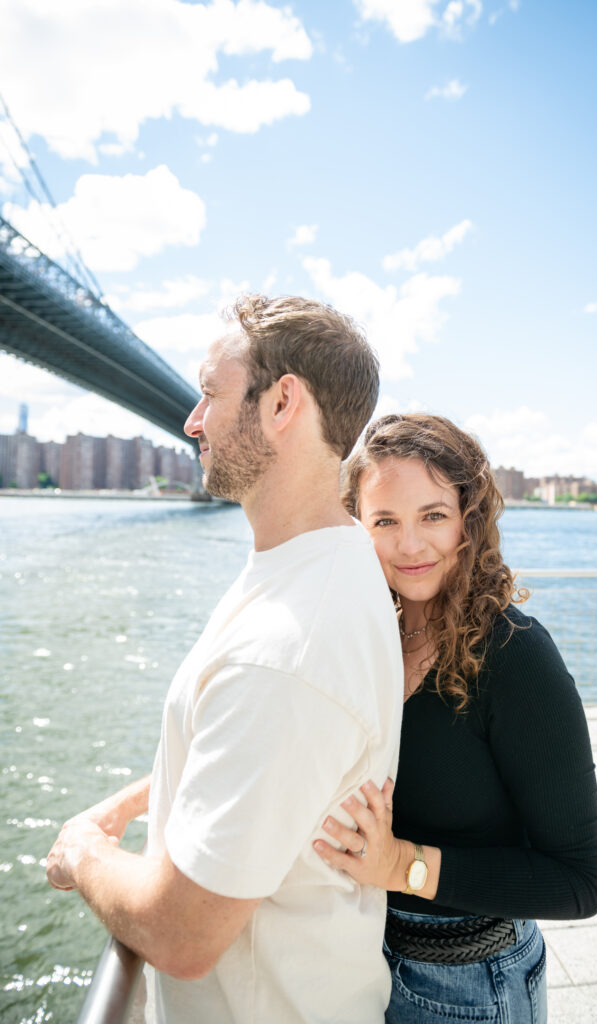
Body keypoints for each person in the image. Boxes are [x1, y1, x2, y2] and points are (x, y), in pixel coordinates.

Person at [46, 295, 404, 1024]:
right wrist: (124, 806)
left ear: (282, 403)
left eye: (210, 393)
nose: (190, 420)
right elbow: (242, 748)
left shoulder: (288, 647)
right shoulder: (321, 567)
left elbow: (183, 934)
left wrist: (83, 852)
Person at [314, 413, 597, 1023]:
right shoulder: (372, 635)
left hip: (474, 988)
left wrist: (400, 864)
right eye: (385, 521)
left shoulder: (515, 654)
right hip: (363, 965)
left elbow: (580, 881)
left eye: (433, 516)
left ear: (470, 521)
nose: (410, 545)